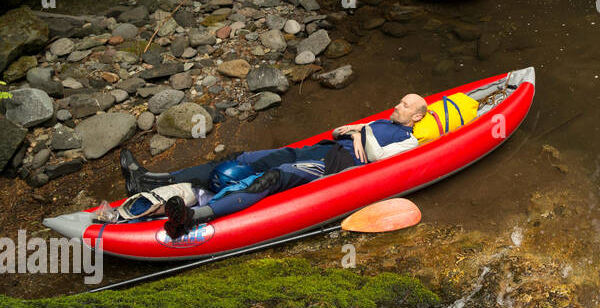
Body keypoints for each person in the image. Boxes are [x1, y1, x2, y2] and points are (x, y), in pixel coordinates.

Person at [119, 93, 429, 238]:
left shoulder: (409, 141)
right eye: (399, 100)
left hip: (331, 167)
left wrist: (361, 132)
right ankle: (151, 180)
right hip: (318, 149)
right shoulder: (380, 121)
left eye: (405, 105)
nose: (397, 105)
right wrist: (355, 130)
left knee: (270, 177)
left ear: (417, 116)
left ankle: (192, 216)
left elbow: (379, 159)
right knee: (240, 160)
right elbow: (339, 131)